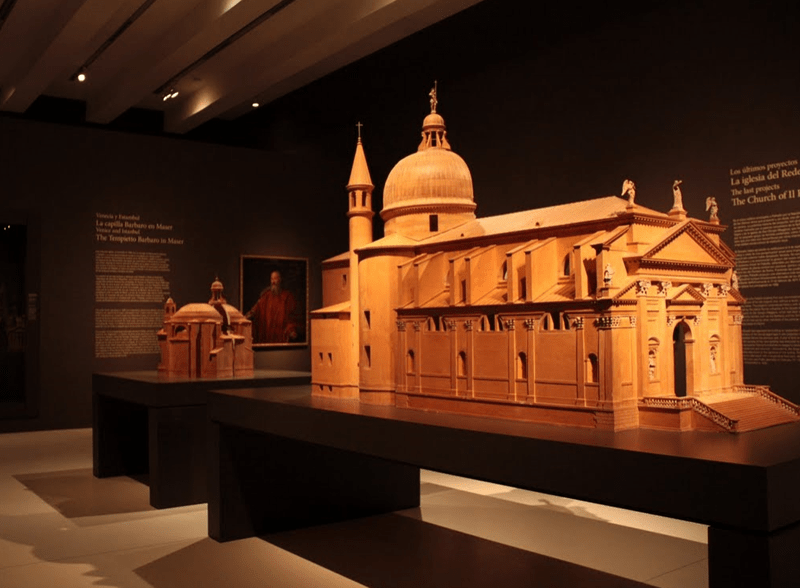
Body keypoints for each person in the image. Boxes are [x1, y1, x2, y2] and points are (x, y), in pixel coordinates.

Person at [246, 270, 299, 343]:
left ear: (280, 280)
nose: (273, 281)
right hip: (268, 336)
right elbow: (256, 309)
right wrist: (246, 317)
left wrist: (291, 330)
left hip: (280, 336)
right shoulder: (266, 296)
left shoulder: (287, 297)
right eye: (272, 279)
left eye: (275, 278)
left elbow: (291, 317)